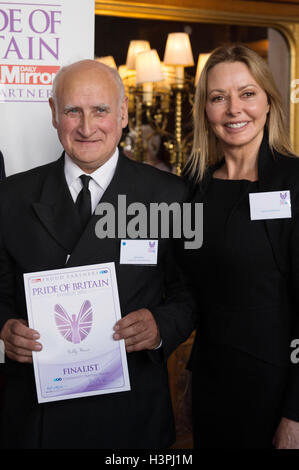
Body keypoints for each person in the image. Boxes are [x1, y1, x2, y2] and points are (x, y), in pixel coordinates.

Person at [0, 60, 195, 449]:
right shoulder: (11, 197)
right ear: (55, 115)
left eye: (100, 110)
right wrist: (3, 328)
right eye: (73, 111)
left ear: (122, 114)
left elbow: (192, 294)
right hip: (35, 419)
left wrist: (160, 326)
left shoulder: (172, 195)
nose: (87, 128)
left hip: (131, 413)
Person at [186, 43, 299, 449]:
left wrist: (296, 414)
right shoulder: (194, 186)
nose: (234, 109)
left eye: (247, 93)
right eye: (218, 98)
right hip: (212, 383)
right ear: (205, 110)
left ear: (269, 101)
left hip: (277, 390)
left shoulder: (294, 182)